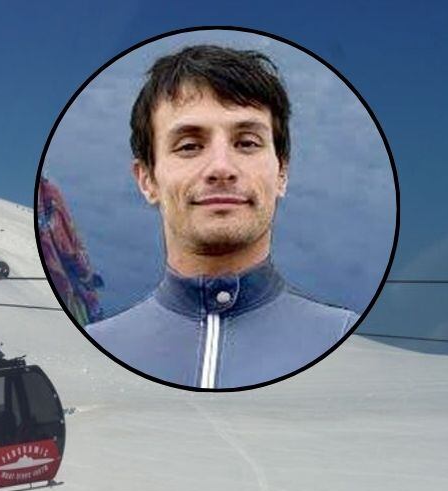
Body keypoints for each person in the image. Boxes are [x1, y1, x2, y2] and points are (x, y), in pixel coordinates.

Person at [84, 44, 357, 389]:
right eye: (189, 146)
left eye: (246, 143)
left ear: (282, 173)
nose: (221, 168)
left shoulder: (349, 342)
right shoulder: (91, 354)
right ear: (147, 180)